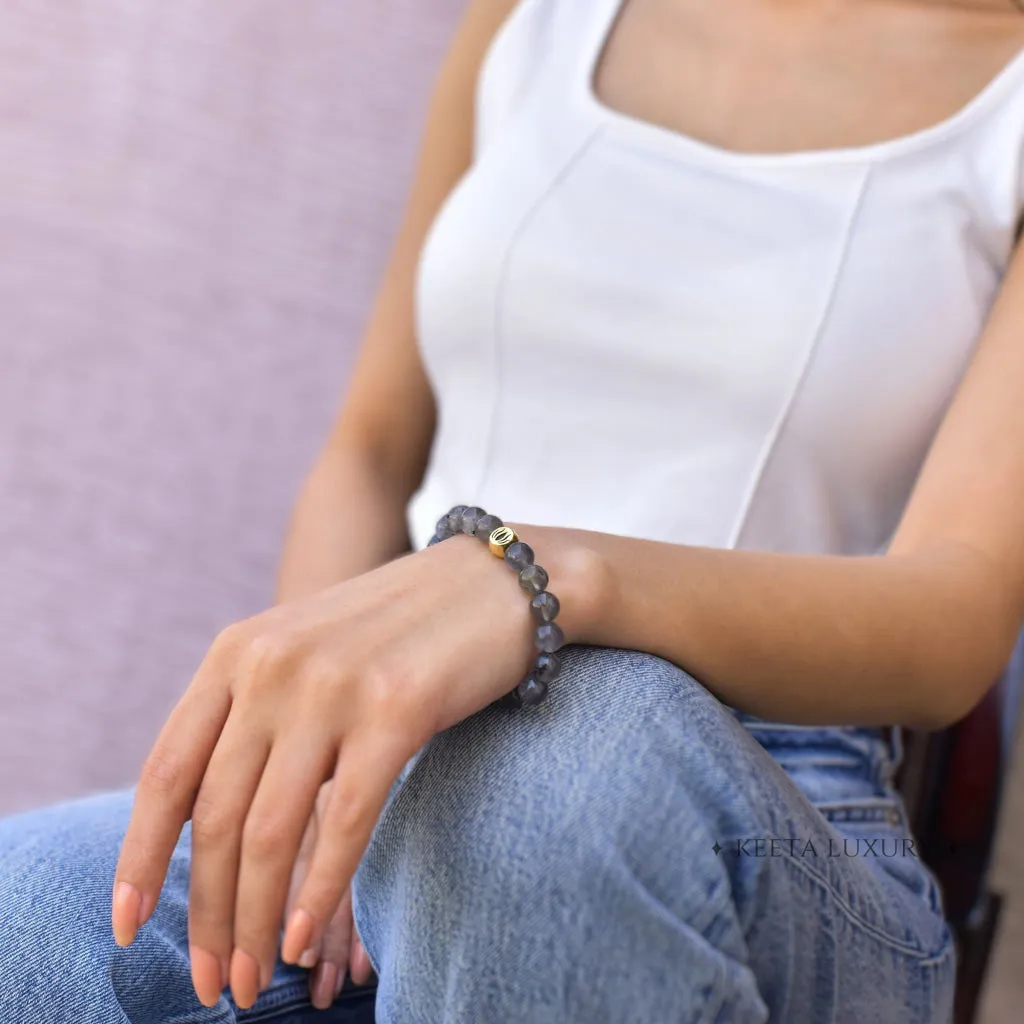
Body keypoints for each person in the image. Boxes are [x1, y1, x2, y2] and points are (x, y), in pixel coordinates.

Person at [4, 0, 1024, 1020]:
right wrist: (312, 769)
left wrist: (538, 577)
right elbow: (367, 452)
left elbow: (953, 614)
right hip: (404, 748)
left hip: (774, 789)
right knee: (27, 916)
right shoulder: (534, 16)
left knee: (553, 796)